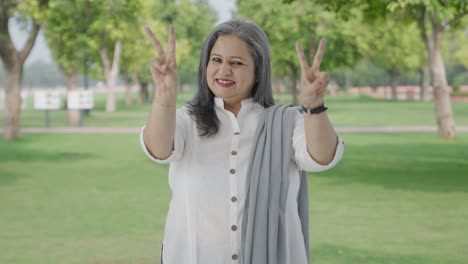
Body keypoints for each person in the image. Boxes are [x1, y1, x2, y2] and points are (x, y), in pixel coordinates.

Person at [140, 19, 344, 264]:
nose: (224, 70)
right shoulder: (187, 120)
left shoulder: (286, 122)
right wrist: (164, 96)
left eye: (236, 63)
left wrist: (314, 107)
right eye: (216, 60)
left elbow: (322, 157)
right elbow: (158, 149)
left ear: (258, 71)